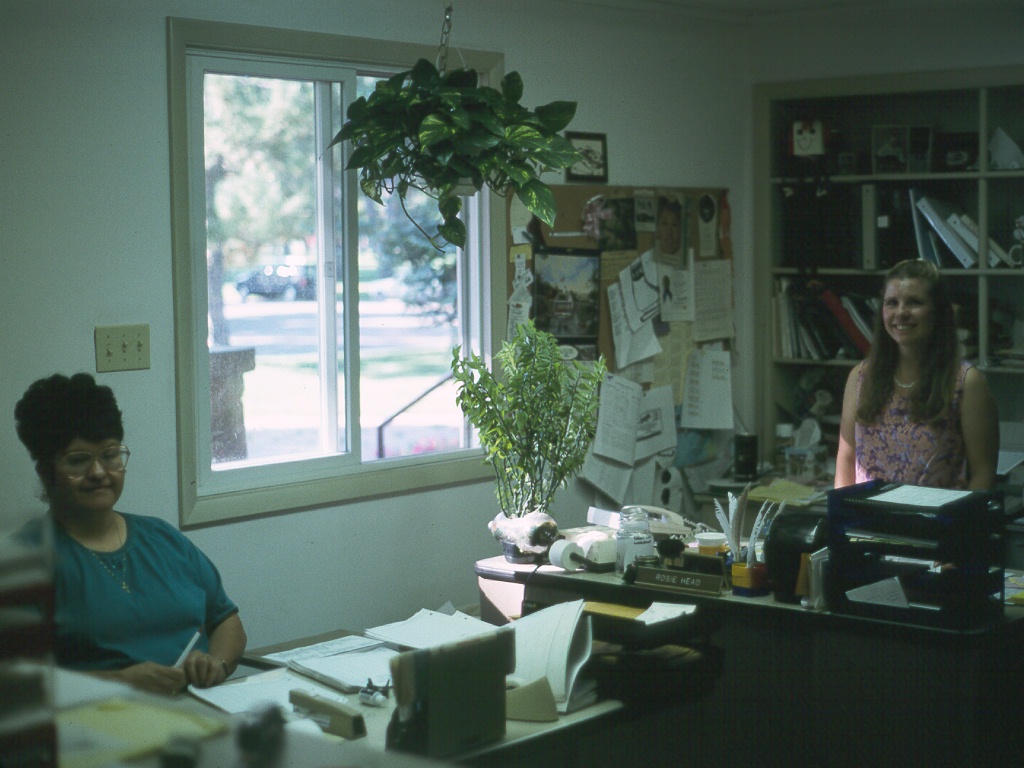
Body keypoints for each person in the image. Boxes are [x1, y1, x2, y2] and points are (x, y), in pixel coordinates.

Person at [14, 373, 246, 695]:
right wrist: (121, 683)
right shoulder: (24, 560)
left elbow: (226, 620)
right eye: (79, 461)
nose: (99, 473)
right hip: (98, 730)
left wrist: (215, 664)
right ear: (45, 471)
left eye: (110, 455)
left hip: (200, 714)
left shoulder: (162, 537)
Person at [835, 259, 998, 490]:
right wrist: (841, 518)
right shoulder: (860, 377)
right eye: (892, 303)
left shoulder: (966, 382)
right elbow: (846, 460)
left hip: (935, 524)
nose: (901, 313)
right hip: (865, 523)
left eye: (914, 302)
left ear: (938, 311)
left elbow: (983, 476)